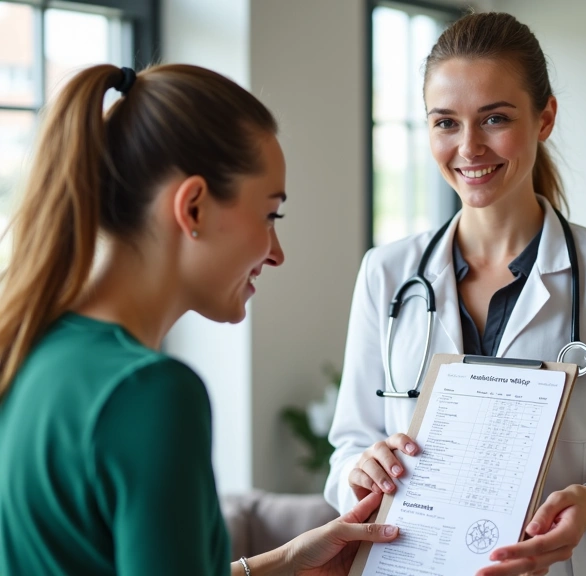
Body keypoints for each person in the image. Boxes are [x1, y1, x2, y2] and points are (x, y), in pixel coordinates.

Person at [325, 11, 586, 576]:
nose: (469, 147)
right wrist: (361, 471)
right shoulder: (386, 273)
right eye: (445, 122)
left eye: (494, 118)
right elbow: (350, 445)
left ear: (544, 118)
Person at [0, 64, 400, 576]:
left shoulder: (31, 347)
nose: (277, 253)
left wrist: (282, 562)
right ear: (192, 208)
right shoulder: (149, 393)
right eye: (269, 215)